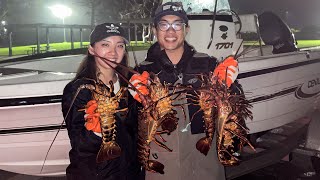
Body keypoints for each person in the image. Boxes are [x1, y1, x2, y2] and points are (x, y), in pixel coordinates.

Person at [128, 2, 239, 180]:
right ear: (155, 30)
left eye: (177, 24)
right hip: (163, 160)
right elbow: (131, 123)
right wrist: (133, 99)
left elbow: (234, 108)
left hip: (205, 158)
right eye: (163, 24)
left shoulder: (208, 64)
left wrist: (231, 85)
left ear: (186, 29)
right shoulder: (141, 72)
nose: (170, 31)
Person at [61, 23, 142, 180]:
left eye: (120, 45)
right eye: (105, 44)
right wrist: (95, 130)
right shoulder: (78, 89)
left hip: (130, 173)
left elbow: (135, 133)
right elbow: (79, 145)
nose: (113, 52)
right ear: (92, 49)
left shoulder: (130, 84)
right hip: (95, 175)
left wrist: (145, 102)